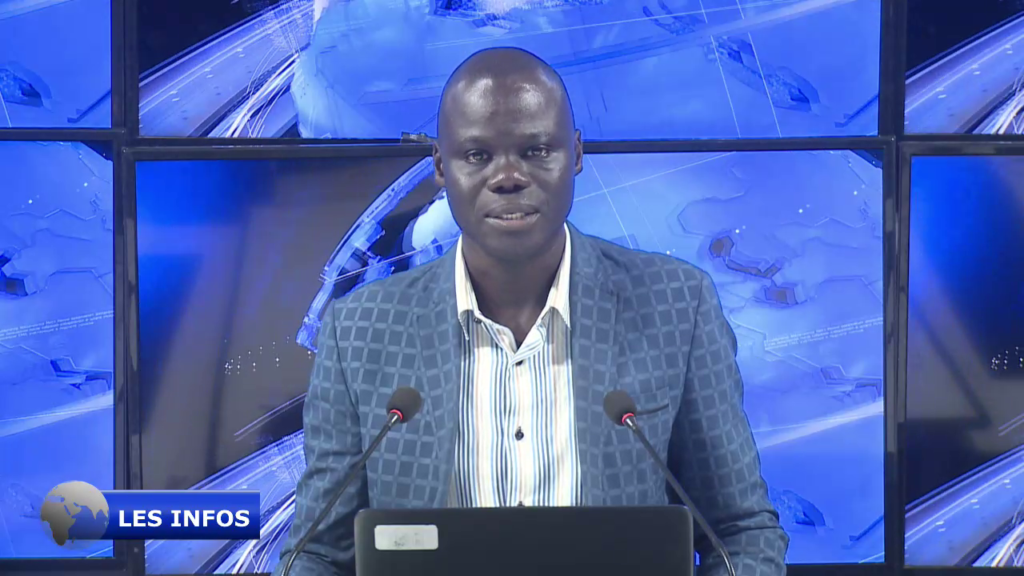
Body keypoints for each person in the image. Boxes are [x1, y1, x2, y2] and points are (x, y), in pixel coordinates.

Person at [274, 47, 789, 576]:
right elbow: (316, 551)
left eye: (537, 150)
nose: (508, 177)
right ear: (440, 167)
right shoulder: (358, 331)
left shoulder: (677, 305)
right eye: (477, 155)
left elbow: (740, 533)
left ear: (576, 154)